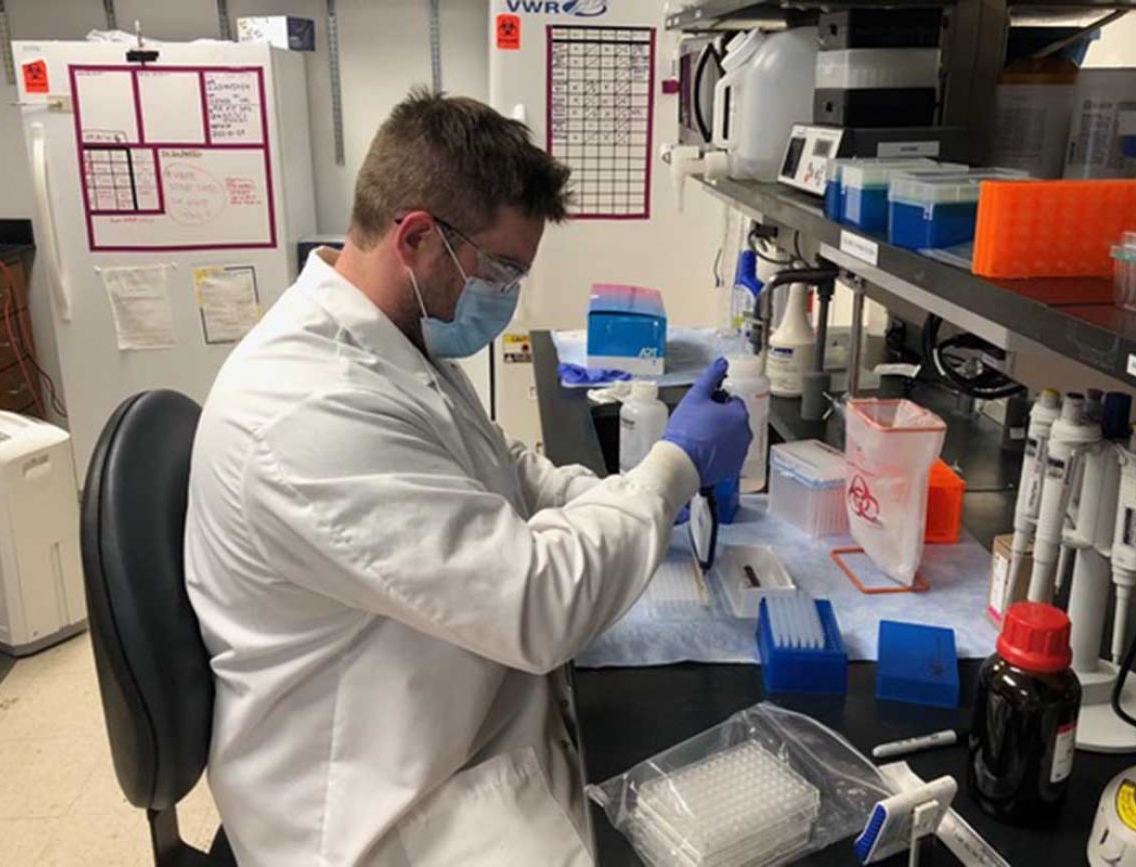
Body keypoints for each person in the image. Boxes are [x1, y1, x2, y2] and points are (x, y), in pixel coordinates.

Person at [184, 88, 751, 866]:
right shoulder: (302, 410)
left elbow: (500, 469)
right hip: (376, 803)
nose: (507, 296)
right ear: (417, 236)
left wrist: (632, 496)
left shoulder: (390, 333)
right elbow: (537, 600)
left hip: (438, 708)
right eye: (501, 269)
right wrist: (670, 469)